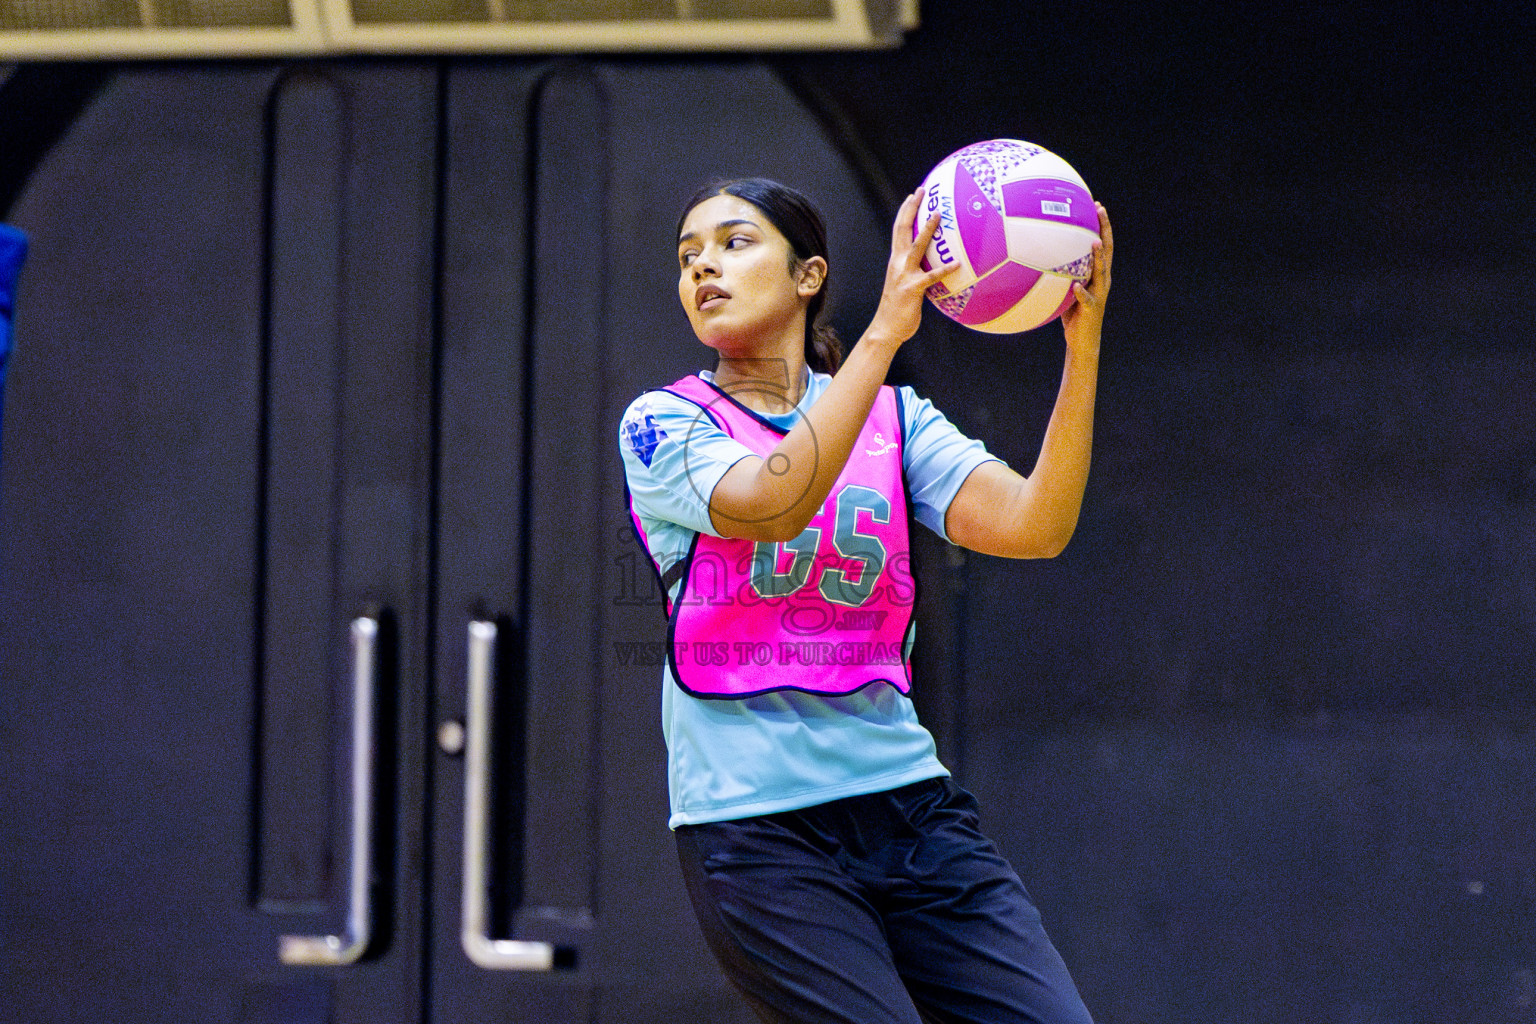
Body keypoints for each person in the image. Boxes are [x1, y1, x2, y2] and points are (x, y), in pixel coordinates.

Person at [618, 176, 1112, 1024]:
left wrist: (1083, 340)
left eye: (734, 243)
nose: (704, 267)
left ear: (809, 276)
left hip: (911, 809)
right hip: (758, 831)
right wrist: (887, 331)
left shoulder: (899, 420)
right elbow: (774, 500)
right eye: (687, 256)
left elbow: (1037, 525)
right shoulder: (663, 424)